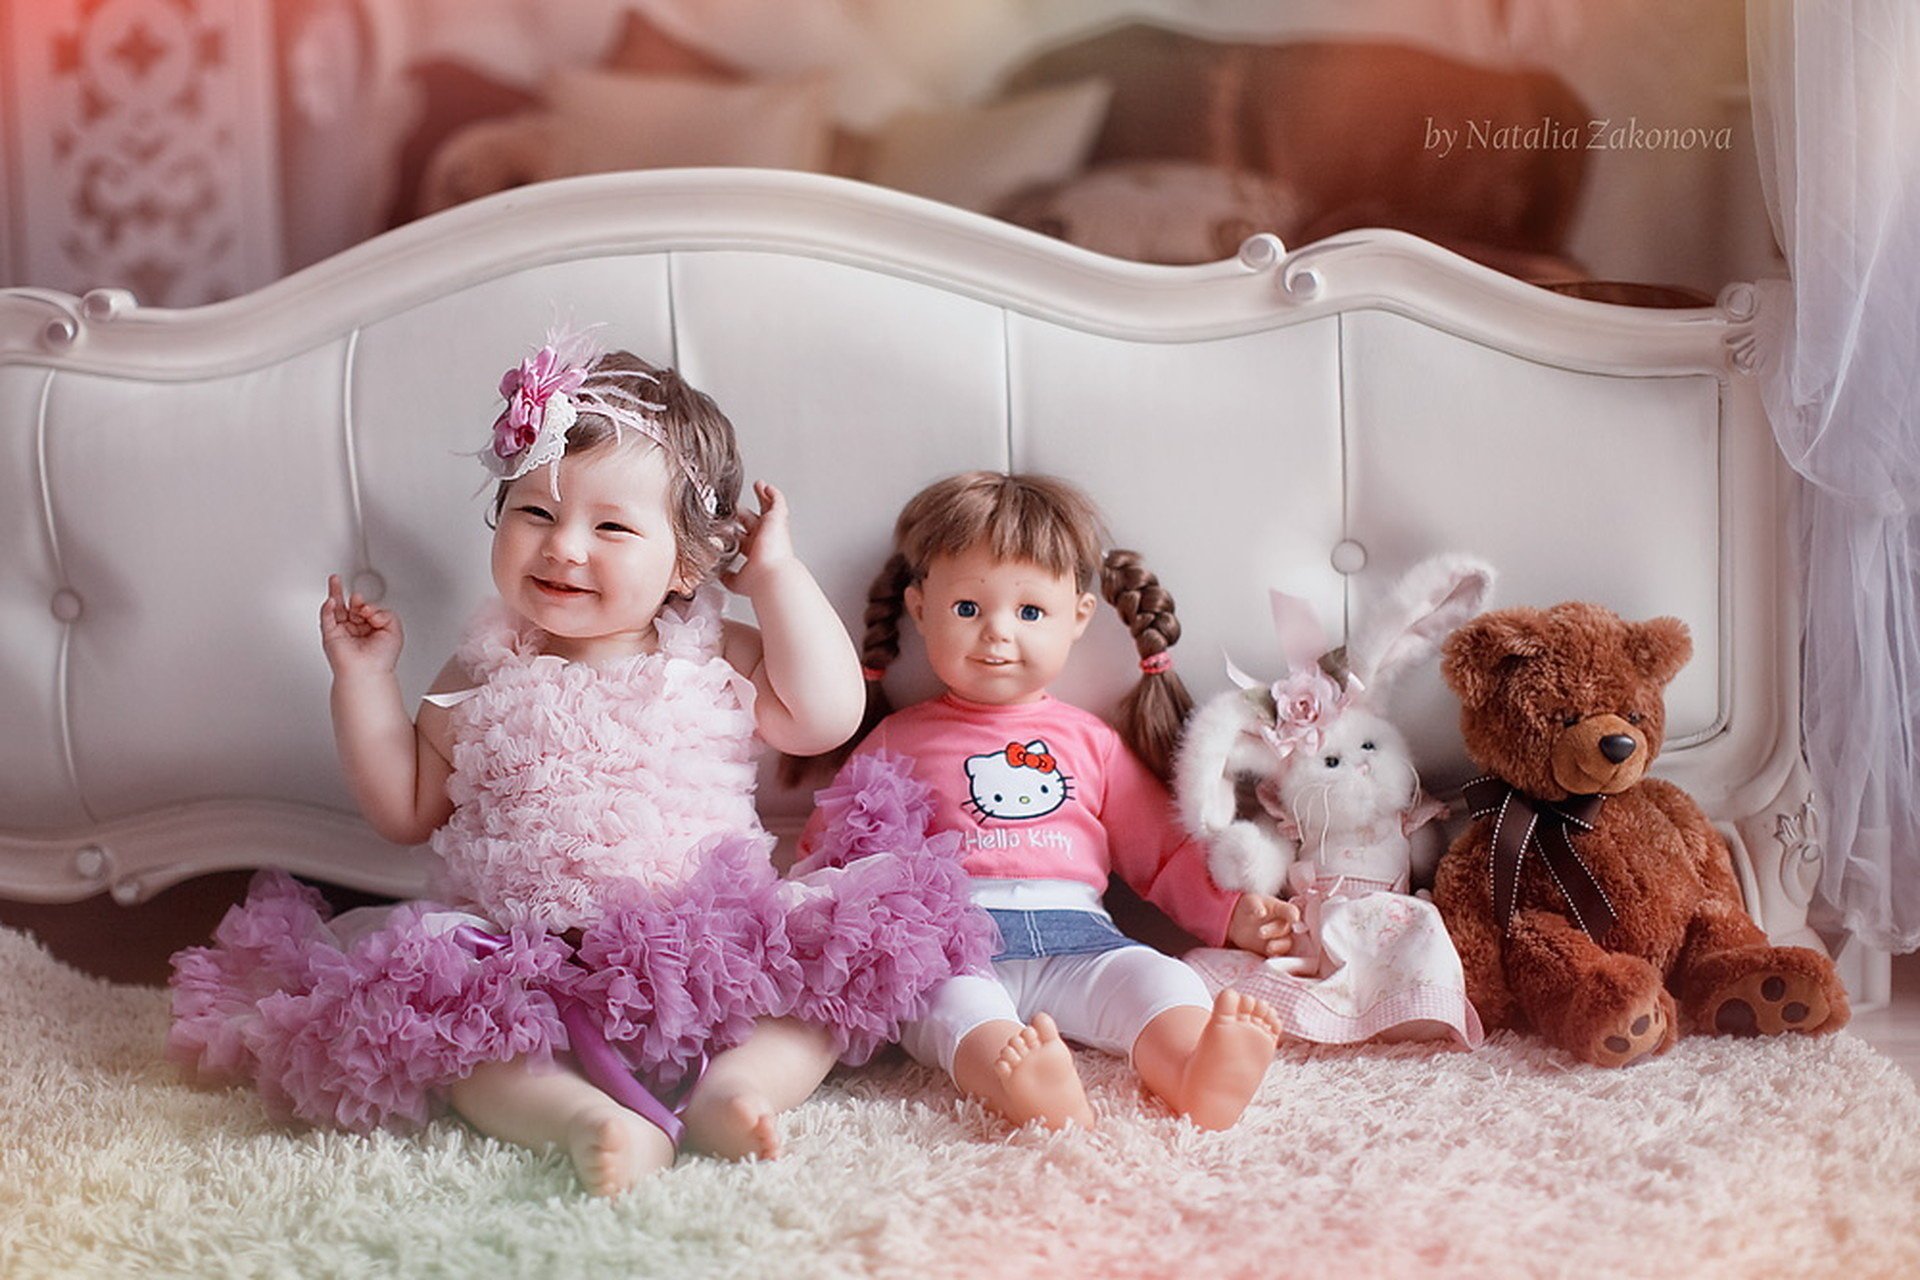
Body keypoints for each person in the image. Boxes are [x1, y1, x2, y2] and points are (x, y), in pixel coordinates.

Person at [169, 329, 992, 1196]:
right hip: (523, 963)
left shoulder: (716, 652)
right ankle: (579, 1117)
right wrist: (365, 682)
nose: (564, 546)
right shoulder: (481, 672)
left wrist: (777, 577)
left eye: (610, 526)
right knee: (451, 1036)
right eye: (535, 513)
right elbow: (404, 810)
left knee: (819, 993)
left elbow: (826, 716)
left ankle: (739, 1088)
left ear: (685, 563)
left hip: (706, 951)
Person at [797, 472, 1296, 1133]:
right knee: (953, 1015)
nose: (998, 635)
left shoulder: (1091, 742)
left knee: (1160, 982)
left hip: (1081, 941)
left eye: (1029, 612)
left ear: (1078, 618)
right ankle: (1022, 1084)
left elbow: (1162, 851)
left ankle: (1191, 1067)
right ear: (920, 611)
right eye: (968, 609)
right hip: (954, 948)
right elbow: (833, 848)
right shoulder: (898, 739)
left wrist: (1230, 913)